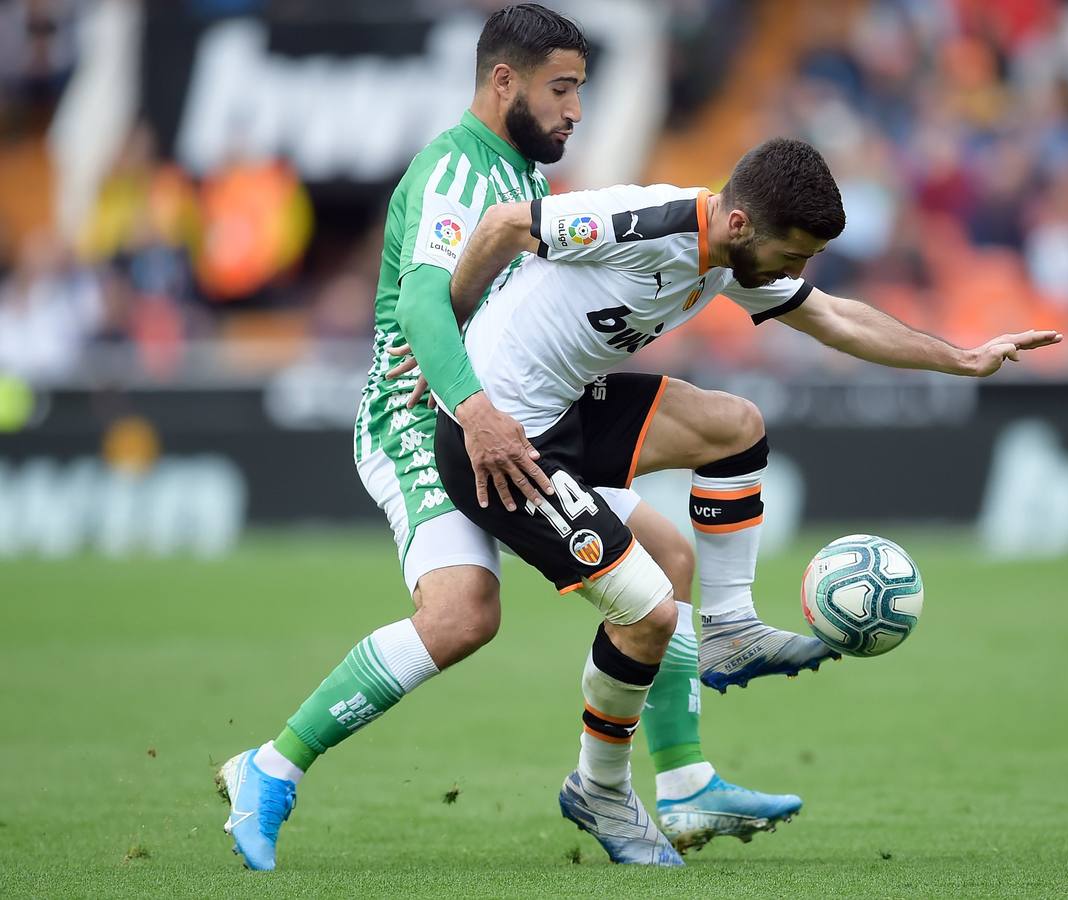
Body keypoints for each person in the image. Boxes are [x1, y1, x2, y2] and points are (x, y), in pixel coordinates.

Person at [216, 4, 810, 872]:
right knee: (463, 615)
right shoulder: (459, 172)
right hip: (427, 419)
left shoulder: (517, 179)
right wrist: (473, 408)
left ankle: (683, 784)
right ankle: (268, 770)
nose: (576, 110)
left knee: (672, 560)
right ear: (505, 82)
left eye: (580, 91)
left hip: (521, 417)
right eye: (563, 88)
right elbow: (423, 303)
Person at [428, 136, 1062, 866]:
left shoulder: (731, 254)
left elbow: (837, 319)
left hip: (563, 409)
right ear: (739, 226)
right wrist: (445, 354)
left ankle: (727, 631)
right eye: (793, 256)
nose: (797, 274)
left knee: (735, 431)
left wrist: (962, 357)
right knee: (652, 608)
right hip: (498, 439)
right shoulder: (645, 223)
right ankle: (598, 787)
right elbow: (506, 224)